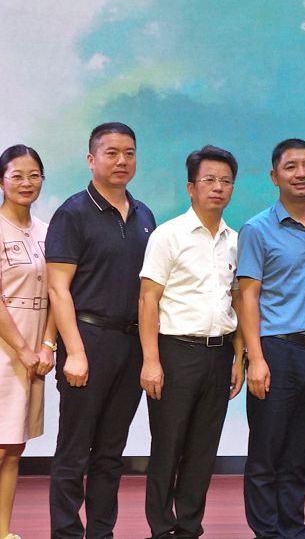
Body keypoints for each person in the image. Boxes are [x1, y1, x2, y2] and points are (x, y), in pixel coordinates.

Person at [46, 122, 157, 539]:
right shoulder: (73, 213)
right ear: (91, 160)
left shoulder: (144, 214)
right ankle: (66, 533)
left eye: (129, 153)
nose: (121, 161)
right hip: (88, 340)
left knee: (111, 452)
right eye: (111, 153)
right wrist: (73, 351)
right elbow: (58, 288)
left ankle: (101, 533)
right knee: (74, 450)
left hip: (131, 343)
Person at [138, 145, 246, 539]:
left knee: (203, 449)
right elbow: (147, 300)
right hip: (175, 352)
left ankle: (188, 526)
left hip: (219, 354)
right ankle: (160, 527)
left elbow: (236, 300)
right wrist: (151, 360)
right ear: (191, 187)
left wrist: (239, 357)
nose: (218, 187)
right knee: (168, 445)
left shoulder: (236, 240)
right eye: (209, 180)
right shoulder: (168, 235)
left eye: (226, 181)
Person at [237, 138, 305, 539]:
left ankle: (293, 529)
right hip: (276, 351)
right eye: (291, 166)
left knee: (299, 452)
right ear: (274, 176)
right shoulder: (257, 229)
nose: (302, 173)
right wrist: (255, 358)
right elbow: (248, 296)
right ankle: (267, 532)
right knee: (266, 450)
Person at [0, 145, 55, 539]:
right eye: (17, 175)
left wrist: (48, 344)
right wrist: (21, 349)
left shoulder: (47, 231)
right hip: (5, 350)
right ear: (2, 180)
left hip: (34, 351)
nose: (26, 182)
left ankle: (3, 531)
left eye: (34, 175)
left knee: (14, 448)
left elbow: (58, 293)